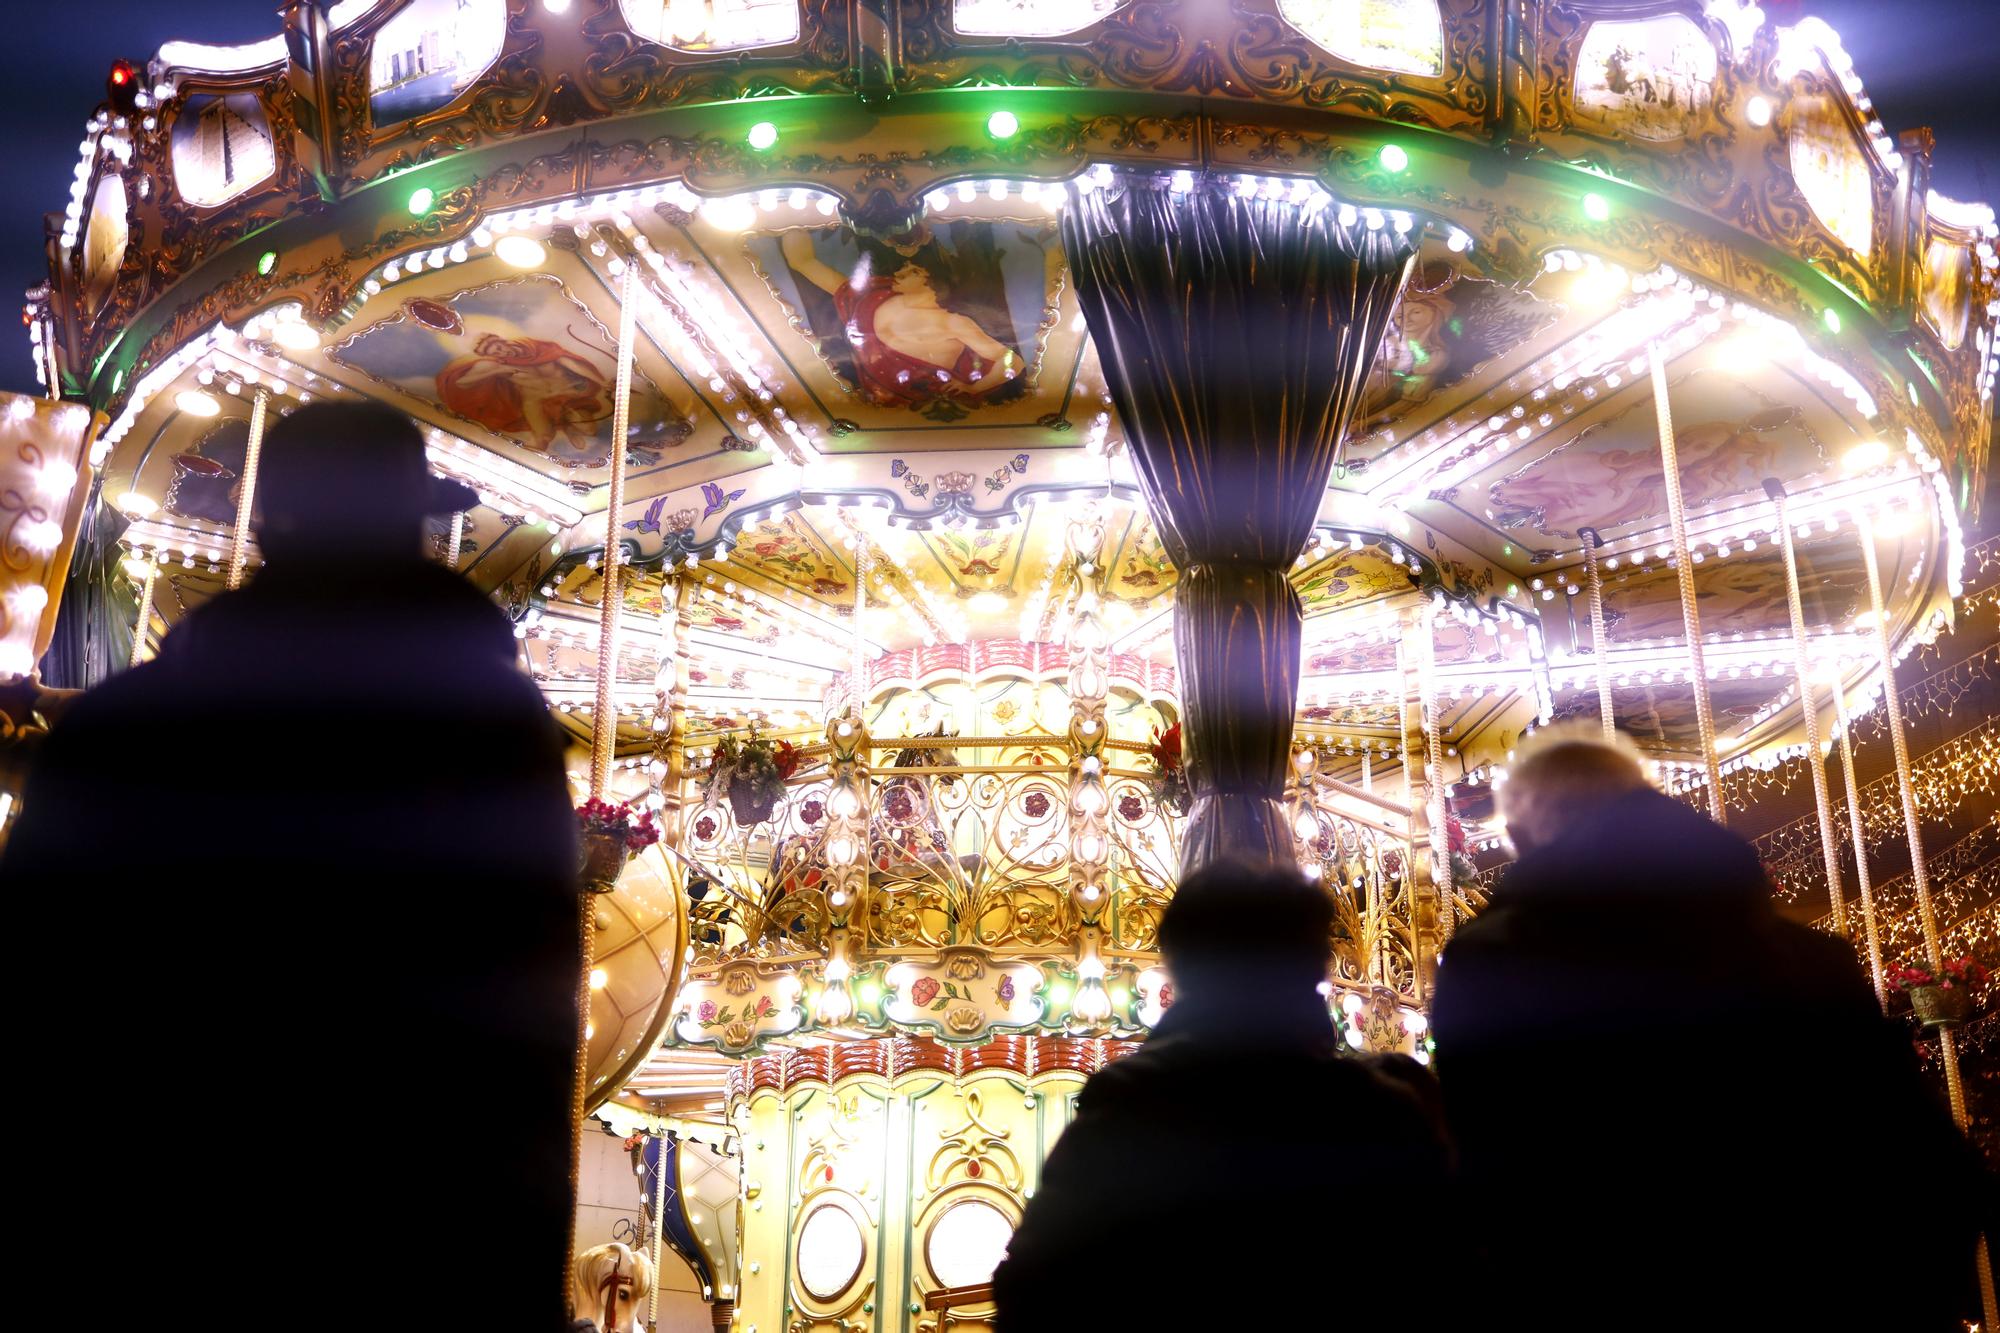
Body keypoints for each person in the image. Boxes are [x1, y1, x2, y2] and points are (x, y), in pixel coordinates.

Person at [4, 402, 581, 1328]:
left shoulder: (119, 734)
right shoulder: (493, 736)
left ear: (269, 524)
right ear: (412, 530)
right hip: (413, 1247)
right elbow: (527, 1047)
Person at [1430, 725, 1990, 1331]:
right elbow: (1917, 1144)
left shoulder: (1493, 960)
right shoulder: (1806, 956)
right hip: (1831, 1287)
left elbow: (1493, 1166)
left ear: (1518, 835)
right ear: (1647, 803)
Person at [992, 858, 1454, 1331]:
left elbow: (1033, 1289)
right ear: (1310, 971)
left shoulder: (1129, 1111)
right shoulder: (1381, 1115)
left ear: (1181, 970)